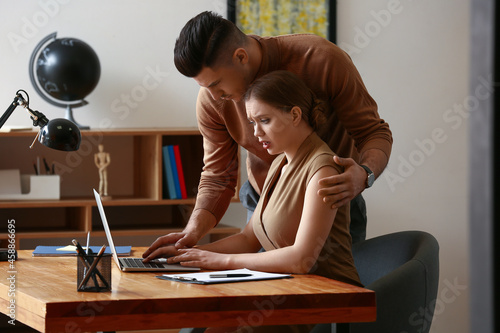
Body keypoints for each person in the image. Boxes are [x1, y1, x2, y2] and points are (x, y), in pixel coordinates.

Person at [143, 11, 392, 261]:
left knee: (335, 292)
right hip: (266, 205)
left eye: (217, 84)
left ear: (240, 57)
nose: (215, 96)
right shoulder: (212, 101)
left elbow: (372, 131)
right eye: (206, 88)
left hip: (335, 201)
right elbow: (218, 176)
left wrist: (365, 174)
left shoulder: (321, 60)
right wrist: (190, 236)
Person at [168, 70, 362, 333]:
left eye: (264, 120)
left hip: (322, 297)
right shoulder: (279, 163)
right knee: (202, 322)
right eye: (252, 122)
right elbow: (249, 238)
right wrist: (190, 255)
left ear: (295, 115)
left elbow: (301, 260)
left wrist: (221, 261)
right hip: (285, 289)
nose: (256, 132)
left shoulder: (323, 170)